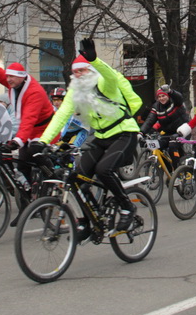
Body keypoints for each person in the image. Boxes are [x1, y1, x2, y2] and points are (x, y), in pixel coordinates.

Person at [35, 39, 142, 233]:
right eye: (75, 72)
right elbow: (61, 116)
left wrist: (95, 60)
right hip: (101, 137)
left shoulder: (104, 84)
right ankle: (87, 219)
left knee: (103, 169)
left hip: (124, 133)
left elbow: (110, 77)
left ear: (91, 71)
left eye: (82, 70)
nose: (78, 75)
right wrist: (42, 141)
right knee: (78, 178)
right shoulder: (75, 92)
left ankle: (127, 207)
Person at [0, 44, 55, 183]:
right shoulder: (15, 82)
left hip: (44, 130)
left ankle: (54, 178)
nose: (8, 80)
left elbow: (29, 118)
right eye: (7, 77)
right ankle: (30, 194)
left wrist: (17, 141)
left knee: (35, 153)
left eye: (11, 77)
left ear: (21, 77)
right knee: (22, 165)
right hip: (28, 131)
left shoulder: (34, 92)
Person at [140, 84, 189, 166]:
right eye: (159, 97)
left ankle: (178, 172)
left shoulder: (175, 101)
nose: (161, 98)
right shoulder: (156, 106)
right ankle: (170, 171)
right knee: (156, 146)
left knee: (172, 146)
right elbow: (149, 120)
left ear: (168, 96)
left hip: (183, 130)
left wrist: (170, 91)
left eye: (163, 96)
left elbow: (179, 98)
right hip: (169, 133)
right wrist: (141, 133)